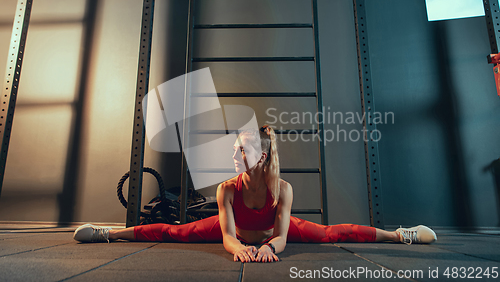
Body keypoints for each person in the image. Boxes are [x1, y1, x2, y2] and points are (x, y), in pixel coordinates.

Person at [74, 125, 437, 263]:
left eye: (240, 152)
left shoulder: (283, 190)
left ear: (261, 157)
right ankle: (109, 233)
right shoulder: (226, 190)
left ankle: (399, 234)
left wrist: (267, 247)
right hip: (233, 233)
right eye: (234, 151)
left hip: (268, 235)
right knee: (173, 231)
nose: (233, 157)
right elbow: (229, 236)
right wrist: (240, 249)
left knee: (331, 233)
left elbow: (280, 235)